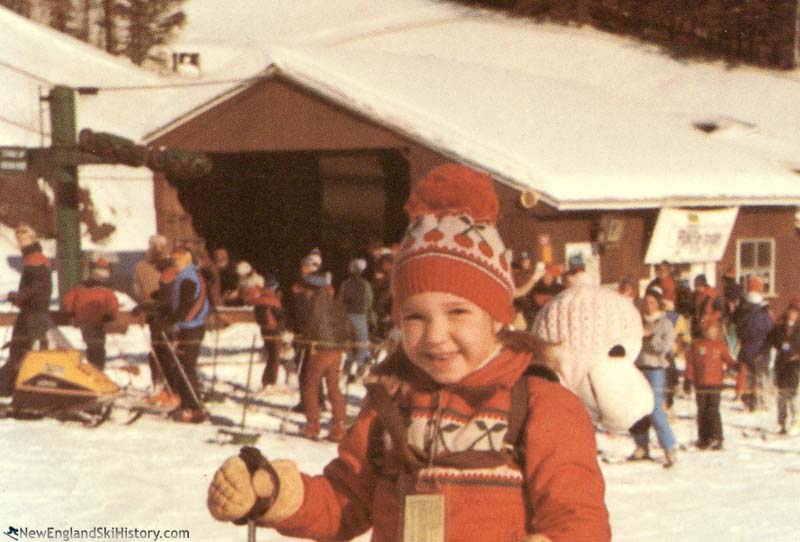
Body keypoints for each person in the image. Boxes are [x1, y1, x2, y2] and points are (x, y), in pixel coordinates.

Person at [207, 163, 610, 542]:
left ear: (499, 317)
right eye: (415, 317)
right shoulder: (392, 403)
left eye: (457, 312)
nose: (435, 336)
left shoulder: (541, 405)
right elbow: (345, 500)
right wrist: (275, 494)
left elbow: (577, 520)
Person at [0, 225, 54, 396]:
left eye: (25, 239)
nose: (22, 243)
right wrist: (19, 298)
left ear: (33, 239)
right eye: (19, 240)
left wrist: (20, 295)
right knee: (21, 352)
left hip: (33, 315)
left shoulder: (36, 260)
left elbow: (38, 287)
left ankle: (10, 389)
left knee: (22, 352)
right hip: (31, 312)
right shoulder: (32, 259)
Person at [159, 247, 210, 423]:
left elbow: (186, 305)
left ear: (187, 260)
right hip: (188, 326)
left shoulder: (189, 278)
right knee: (179, 365)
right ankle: (185, 402)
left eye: (178, 259)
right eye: (173, 258)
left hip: (190, 327)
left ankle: (194, 406)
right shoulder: (183, 276)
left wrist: (173, 321)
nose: (175, 261)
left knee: (185, 367)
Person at [630, 287, 679, 467]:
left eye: (652, 302)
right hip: (638, 368)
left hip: (655, 369)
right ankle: (641, 445)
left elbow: (665, 347)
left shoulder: (664, 323)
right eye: (646, 302)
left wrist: (650, 338)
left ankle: (669, 447)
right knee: (638, 410)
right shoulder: (638, 322)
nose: (649, 306)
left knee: (655, 409)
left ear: (658, 303)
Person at [299, 271, 350, 441]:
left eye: (306, 288)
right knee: (333, 385)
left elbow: (312, 324)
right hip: (337, 348)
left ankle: (313, 425)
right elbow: (345, 323)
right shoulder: (334, 301)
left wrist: (305, 337)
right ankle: (339, 425)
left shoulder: (314, 301)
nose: (305, 292)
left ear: (312, 288)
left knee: (310, 385)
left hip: (320, 347)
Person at [684, 323, 736, 450]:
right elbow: (690, 363)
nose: (712, 333)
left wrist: (736, 366)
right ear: (705, 331)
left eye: (715, 331)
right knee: (701, 411)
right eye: (710, 330)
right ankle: (703, 438)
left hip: (715, 384)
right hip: (701, 384)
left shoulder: (720, 346)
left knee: (713, 411)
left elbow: (728, 360)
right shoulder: (697, 345)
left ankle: (717, 437)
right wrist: (688, 379)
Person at [63, 259, 119, 370]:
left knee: (91, 347)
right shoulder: (106, 290)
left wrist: (73, 314)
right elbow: (113, 306)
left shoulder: (80, 287)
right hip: (98, 323)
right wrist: (111, 316)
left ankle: (92, 370)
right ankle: (98, 372)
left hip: (84, 322)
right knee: (98, 350)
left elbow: (68, 301)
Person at [132, 234, 172, 387]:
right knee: (163, 349)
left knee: (160, 348)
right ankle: (163, 383)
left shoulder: (140, 267)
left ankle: (161, 382)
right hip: (161, 312)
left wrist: (144, 303)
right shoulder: (168, 266)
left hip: (155, 311)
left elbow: (137, 290)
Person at [734, 276, 774, 412]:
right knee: (760, 377)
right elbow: (770, 331)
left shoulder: (743, 309)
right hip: (760, 347)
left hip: (746, 348)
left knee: (748, 377)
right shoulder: (764, 312)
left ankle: (748, 401)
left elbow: (738, 328)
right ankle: (760, 401)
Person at [240, 273, 285, 389]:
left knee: (272, 356)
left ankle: (268, 381)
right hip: (273, 328)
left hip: (265, 328)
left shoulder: (260, 298)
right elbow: (278, 314)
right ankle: (270, 382)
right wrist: (282, 327)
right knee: (275, 356)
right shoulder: (269, 297)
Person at [337, 258, 373, 382]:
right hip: (359, 317)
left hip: (346, 316)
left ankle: (347, 370)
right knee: (362, 344)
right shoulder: (365, 285)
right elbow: (369, 302)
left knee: (349, 344)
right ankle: (358, 372)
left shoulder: (345, 284)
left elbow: (340, 300)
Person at [771, 297, 800, 434]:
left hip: (795, 364)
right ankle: (781, 421)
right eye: (791, 311)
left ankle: (796, 420)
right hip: (781, 362)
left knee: (792, 393)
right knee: (781, 394)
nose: (793, 314)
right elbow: (774, 341)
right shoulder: (780, 326)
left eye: (796, 311)